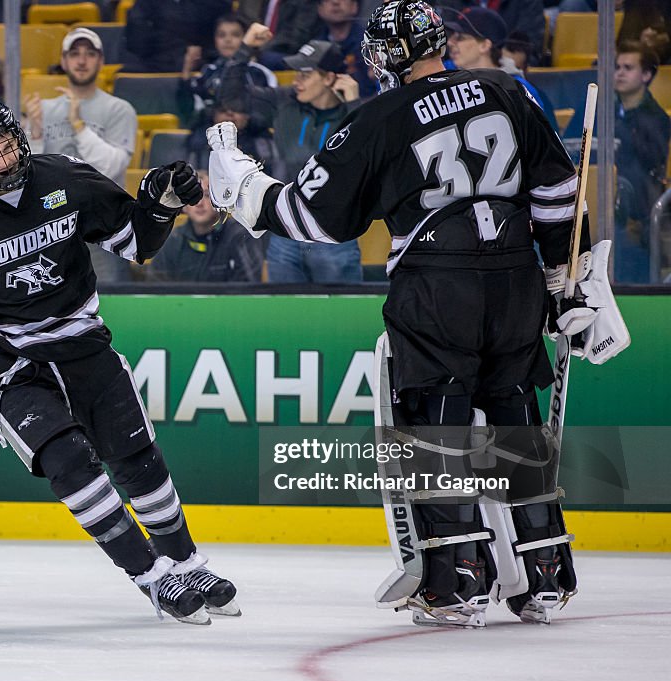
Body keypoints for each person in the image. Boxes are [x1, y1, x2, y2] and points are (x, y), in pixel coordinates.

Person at [207, 1, 627, 627]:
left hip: (437, 287)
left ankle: (455, 580)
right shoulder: (505, 89)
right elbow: (558, 191)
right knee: (514, 414)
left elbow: (311, 217)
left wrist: (239, 184)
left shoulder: (378, 118)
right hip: (515, 279)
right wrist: (568, 280)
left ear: (389, 56)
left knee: (437, 425)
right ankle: (544, 573)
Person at [0, 93, 240, 624]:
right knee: (69, 462)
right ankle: (151, 577)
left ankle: (186, 562)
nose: (0, 160)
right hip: (12, 362)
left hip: (82, 342)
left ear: (18, 138)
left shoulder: (68, 179)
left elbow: (137, 243)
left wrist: (161, 203)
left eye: (5, 145)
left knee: (137, 459)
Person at [23, 27, 137, 282]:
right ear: (63, 61)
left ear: (101, 61)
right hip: (51, 231)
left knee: (112, 304)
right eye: (74, 54)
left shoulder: (119, 109)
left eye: (90, 54)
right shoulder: (42, 110)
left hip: (102, 231)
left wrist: (78, 125)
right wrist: (36, 133)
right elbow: (26, 176)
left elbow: (113, 167)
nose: (82, 60)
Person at [264, 39, 363, 283]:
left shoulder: (356, 115)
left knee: (341, 314)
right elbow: (230, 99)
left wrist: (353, 105)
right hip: (285, 231)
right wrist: (245, 51)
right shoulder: (284, 104)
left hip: (333, 235)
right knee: (283, 315)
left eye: (305, 75)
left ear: (329, 78)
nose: (296, 82)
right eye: (297, 74)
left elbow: (365, 160)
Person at [443, 7, 558, 132]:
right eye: (452, 36)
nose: (450, 42)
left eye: (460, 37)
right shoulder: (442, 75)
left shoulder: (517, 88)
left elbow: (540, 140)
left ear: (485, 45)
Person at [612, 41, 670, 282]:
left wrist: (622, 133)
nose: (620, 73)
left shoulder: (656, 118)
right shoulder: (602, 109)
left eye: (628, 67)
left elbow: (652, 161)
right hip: (606, 204)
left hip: (640, 209)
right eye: (617, 67)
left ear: (646, 75)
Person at [145, 170, 266, 282]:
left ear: (220, 201)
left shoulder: (240, 237)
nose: (199, 203)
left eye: (207, 195)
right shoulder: (174, 239)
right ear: (183, 206)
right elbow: (156, 287)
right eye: (192, 196)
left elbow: (247, 290)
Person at [121, 0, 233, 73]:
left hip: (204, 62)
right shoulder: (147, 4)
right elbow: (136, 40)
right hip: (155, 62)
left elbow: (225, 32)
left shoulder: (216, 4)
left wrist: (199, 55)